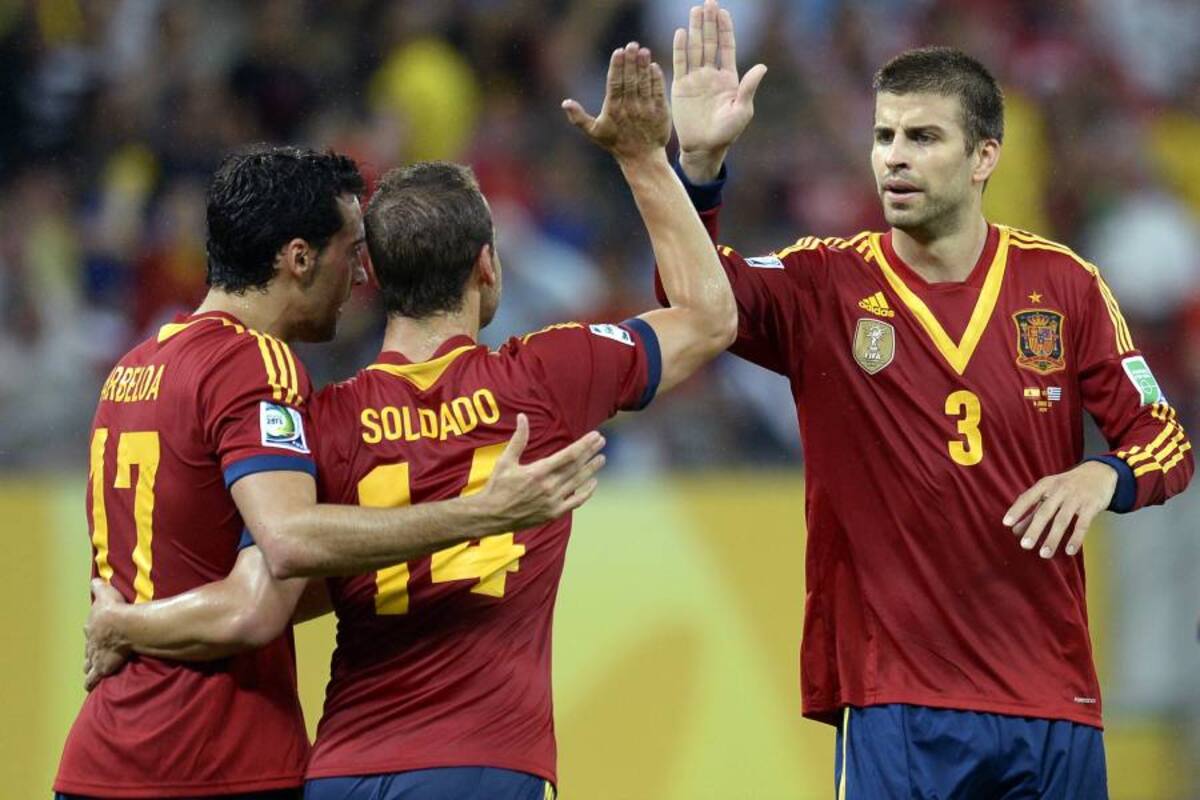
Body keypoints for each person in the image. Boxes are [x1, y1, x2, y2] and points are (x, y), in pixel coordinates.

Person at [83, 43, 736, 800]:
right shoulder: (551, 377)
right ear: (487, 268)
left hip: (341, 770)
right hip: (485, 762)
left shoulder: (315, 419)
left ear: (373, 278)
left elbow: (261, 597)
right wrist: (643, 157)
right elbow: (709, 317)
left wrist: (131, 623)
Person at [662, 2, 1193, 797]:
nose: (893, 160)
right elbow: (694, 300)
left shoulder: (1064, 287)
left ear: (985, 157)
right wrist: (698, 172)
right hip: (896, 700)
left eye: (923, 137)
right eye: (884, 137)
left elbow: (1165, 440)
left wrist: (1102, 477)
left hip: (1051, 699)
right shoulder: (826, 284)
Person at [56, 145, 607, 800]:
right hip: (211, 758)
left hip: (98, 756)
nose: (360, 280)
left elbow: (237, 569)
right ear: (297, 258)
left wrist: (124, 622)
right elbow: (275, 570)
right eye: (351, 253)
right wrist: (484, 514)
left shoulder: (133, 370)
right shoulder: (257, 366)